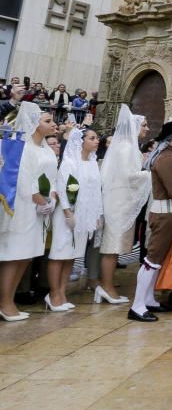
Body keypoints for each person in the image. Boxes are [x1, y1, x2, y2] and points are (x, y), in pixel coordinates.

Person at [129, 120, 172, 322]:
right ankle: (137, 305)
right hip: (166, 214)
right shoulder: (166, 159)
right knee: (152, 259)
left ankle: (148, 299)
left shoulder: (171, 156)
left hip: (170, 215)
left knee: (157, 260)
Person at [0, 103, 59, 321]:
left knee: (26, 256)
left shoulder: (46, 149)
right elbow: (24, 180)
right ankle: (5, 302)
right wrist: (39, 199)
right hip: (24, 207)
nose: (53, 124)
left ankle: (9, 300)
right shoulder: (24, 148)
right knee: (15, 255)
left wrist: (51, 198)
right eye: (47, 121)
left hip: (39, 210)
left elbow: (52, 178)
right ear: (34, 124)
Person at [98, 107, 151, 304]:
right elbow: (130, 176)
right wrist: (149, 174)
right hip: (118, 201)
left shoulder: (124, 147)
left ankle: (106, 285)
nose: (147, 128)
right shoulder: (128, 148)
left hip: (118, 199)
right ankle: (106, 287)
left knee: (113, 246)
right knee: (112, 246)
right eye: (144, 125)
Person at [47, 127, 103, 310]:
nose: (96, 141)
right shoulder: (69, 162)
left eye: (97, 138)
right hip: (68, 214)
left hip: (85, 214)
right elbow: (63, 187)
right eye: (92, 138)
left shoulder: (93, 162)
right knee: (59, 254)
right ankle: (53, 294)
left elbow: (96, 192)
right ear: (81, 141)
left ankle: (63, 292)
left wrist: (97, 214)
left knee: (71, 256)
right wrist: (67, 211)